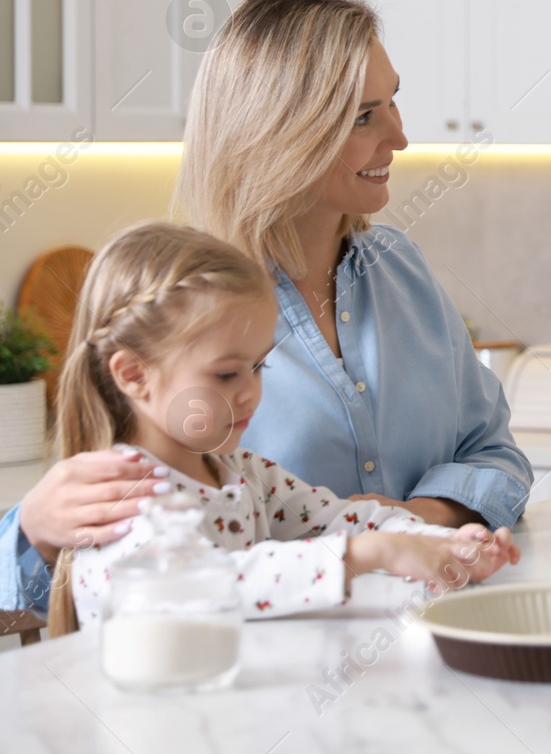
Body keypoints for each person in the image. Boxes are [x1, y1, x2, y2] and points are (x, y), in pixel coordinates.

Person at [1, 0, 533, 614]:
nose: (402, 137)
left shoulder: (402, 269)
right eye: (364, 117)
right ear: (284, 133)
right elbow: (102, 574)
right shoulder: (187, 311)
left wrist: (415, 522)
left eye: (393, 103)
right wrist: (32, 532)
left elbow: (496, 453)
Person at [47, 222, 516, 635]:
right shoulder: (117, 495)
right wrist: (372, 552)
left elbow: (341, 518)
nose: (250, 392)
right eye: (227, 374)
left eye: (259, 368)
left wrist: (444, 544)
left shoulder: (242, 472)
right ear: (133, 374)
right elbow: (202, 586)